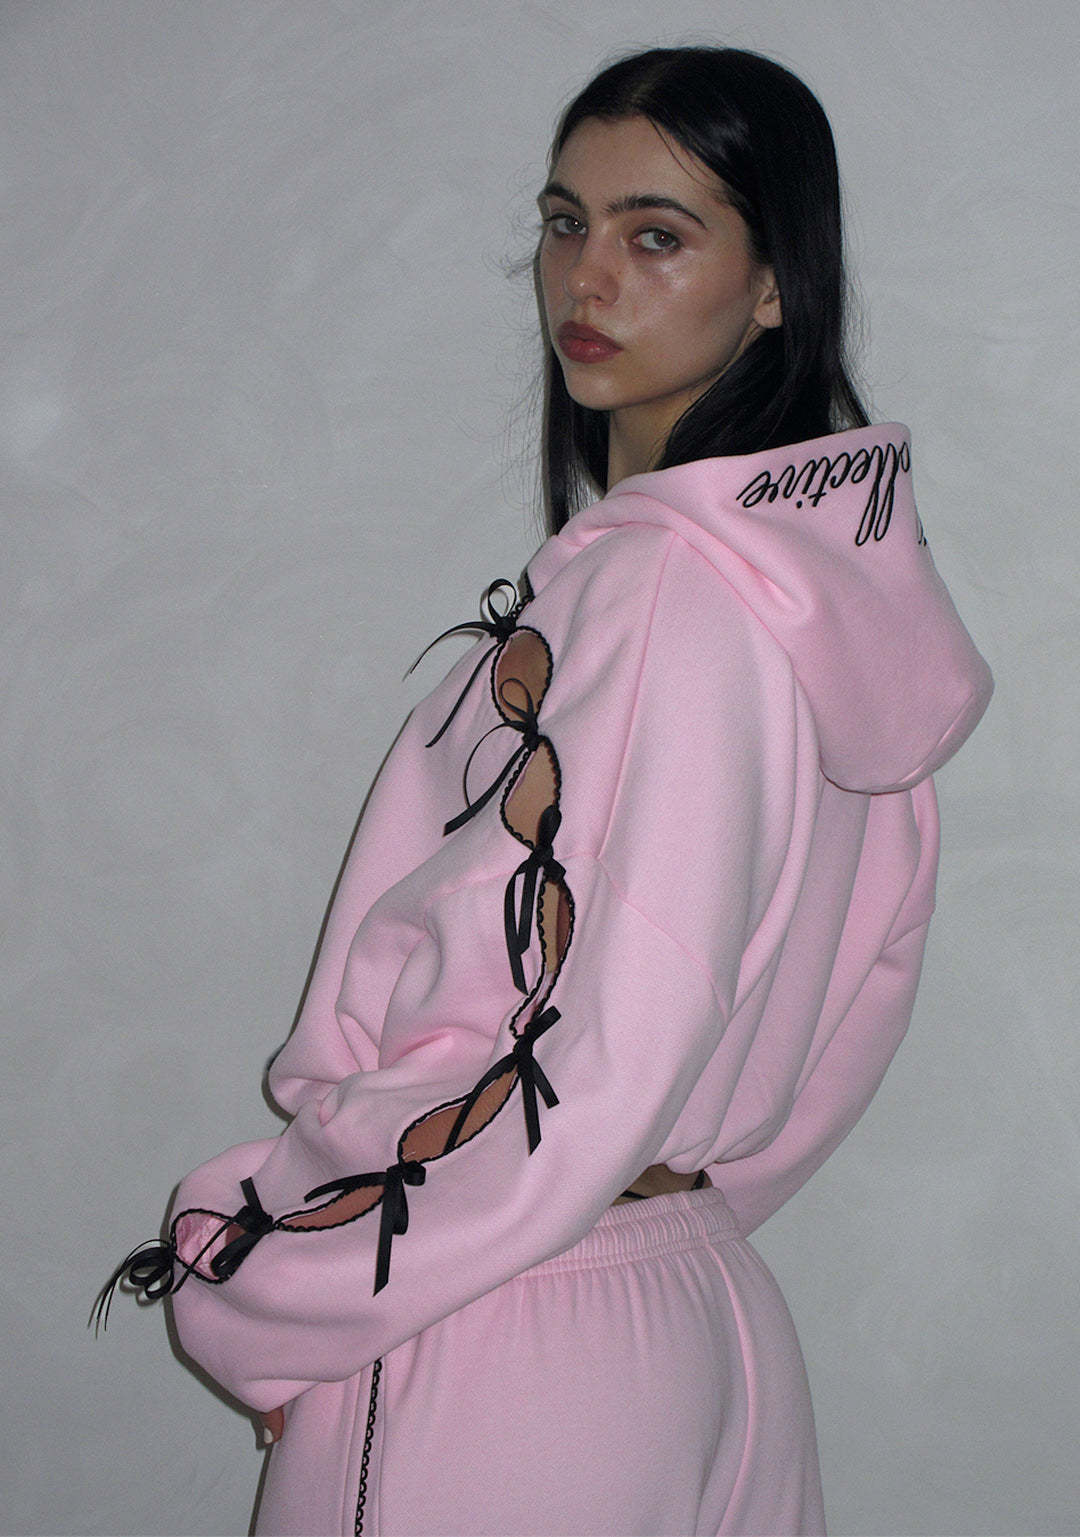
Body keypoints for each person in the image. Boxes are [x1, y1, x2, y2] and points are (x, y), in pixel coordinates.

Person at [96, 45, 992, 1537]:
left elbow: (576, 1046)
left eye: (659, 234)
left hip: (502, 1336)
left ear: (779, 282)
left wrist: (267, 1275)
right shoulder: (832, 615)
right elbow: (846, 1015)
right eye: (565, 221)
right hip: (700, 1318)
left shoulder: (662, 595)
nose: (587, 276)